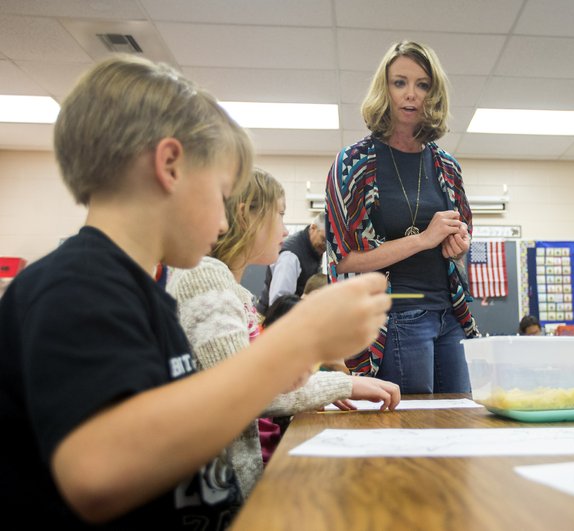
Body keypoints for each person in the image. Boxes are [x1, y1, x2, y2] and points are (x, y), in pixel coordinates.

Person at [0, 55, 391, 528]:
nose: (226, 221)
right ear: (169, 165)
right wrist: (299, 338)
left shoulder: (151, 295)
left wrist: (284, 368)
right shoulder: (77, 286)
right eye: (221, 191)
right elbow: (99, 472)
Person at [167, 168, 400, 497]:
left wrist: (341, 383)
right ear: (246, 214)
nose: (286, 228)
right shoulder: (205, 277)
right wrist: (344, 382)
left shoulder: (239, 294)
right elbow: (245, 390)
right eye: (279, 214)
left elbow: (261, 378)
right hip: (220, 497)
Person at [325, 40, 478, 393]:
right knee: (409, 431)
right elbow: (344, 260)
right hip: (396, 318)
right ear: (385, 89)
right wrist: (423, 239)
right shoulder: (353, 163)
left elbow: (461, 240)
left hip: (451, 316)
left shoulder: (447, 166)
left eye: (422, 84)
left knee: (460, 423)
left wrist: (457, 246)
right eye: (400, 83)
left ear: (433, 93)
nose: (411, 94)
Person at [256, 211, 326, 315]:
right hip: (272, 321)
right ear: (313, 228)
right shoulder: (291, 256)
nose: (326, 246)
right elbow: (280, 303)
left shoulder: (314, 250)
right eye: (323, 239)